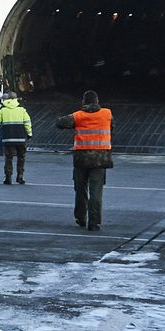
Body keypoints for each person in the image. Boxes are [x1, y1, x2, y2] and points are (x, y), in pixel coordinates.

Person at [56, 90, 114, 231]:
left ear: (83, 102)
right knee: (96, 191)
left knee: (80, 189)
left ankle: (81, 218)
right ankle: (94, 222)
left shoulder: (77, 116)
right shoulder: (107, 113)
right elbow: (112, 126)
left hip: (81, 159)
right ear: (97, 101)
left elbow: (60, 123)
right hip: (100, 159)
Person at [0, 92, 33, 184]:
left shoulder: (2, 111)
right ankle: (20, 177)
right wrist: (29, 134)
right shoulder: (22, 110)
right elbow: (27, 123)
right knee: (21, 158)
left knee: (9, 158)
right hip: (21, 139)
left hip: (8, 139)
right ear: (16, 99)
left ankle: (8, 178)